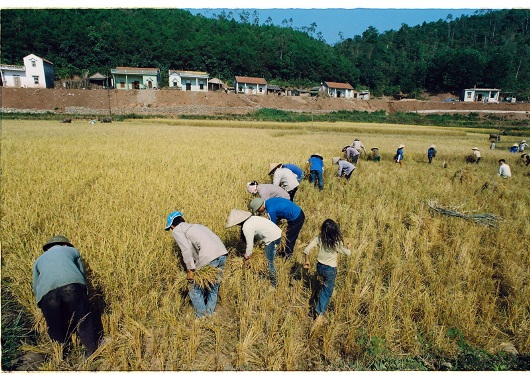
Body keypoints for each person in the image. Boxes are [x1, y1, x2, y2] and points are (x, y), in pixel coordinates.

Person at [32, 235, 99, 357]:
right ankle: (91, 351)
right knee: (83, 319)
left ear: (48, 249)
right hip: (72, 286)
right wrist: (84, 293)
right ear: (64, 245)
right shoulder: (72, 251)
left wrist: (41, 303)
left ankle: (62, 354)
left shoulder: (39, 259)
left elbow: (35, 283)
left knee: (55, 325)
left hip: (47, 294)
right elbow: (81, 273)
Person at [165, 211, 228, 318]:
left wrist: (190, 269)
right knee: (214, 285)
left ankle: (201, 316)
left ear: (172, 225)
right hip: (222, 253)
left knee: (193, 287)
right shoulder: (197, 226)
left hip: (209, 257)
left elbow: (186, 249)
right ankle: (210, 313)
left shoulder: (177, 230)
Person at [303, 219, 350, 319]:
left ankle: (315, 303)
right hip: (330, 270)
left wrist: (306, 261)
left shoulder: (319, 238)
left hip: (319, 267)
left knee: (319, 286)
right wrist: (348, 247)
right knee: (326, 291)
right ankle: (319, 313)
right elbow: (348, 254)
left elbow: (306, 250)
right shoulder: (336, 243)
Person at [225, 209, 282, 286]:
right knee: (267, 259)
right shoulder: (253, 218)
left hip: (273, 238)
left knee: (268, 262)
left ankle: (274, 283)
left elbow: (249, 246)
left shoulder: (246, 227)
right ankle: (264, 278)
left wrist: (246, 257)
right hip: (276, 232)